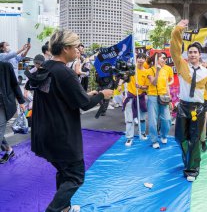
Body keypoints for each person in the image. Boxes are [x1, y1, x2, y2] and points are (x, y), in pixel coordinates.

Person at [29, 30, 113, 212]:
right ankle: (54, 210)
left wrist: (86, 94)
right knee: (75, 175)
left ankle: (64, 207)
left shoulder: (45, 68)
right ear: (66, 48)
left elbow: (63, 96)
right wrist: (102, 94)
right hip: (61, 135)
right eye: (76, 47)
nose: (78, 51)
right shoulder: (64, 73)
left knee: (64, 171)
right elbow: (84, 104)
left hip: (43, 133)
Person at [170, 19, 207, 182]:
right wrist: (177, 30)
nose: (192, 54)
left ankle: (192, 169)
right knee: (180, 138)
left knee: (195, 140)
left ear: (199, 55)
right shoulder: (182, 66)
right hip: (183, 107)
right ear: (188, 55)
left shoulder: (206, 73)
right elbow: (175, 50)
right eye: (190, 52)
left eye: (195, 52)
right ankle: (189, 159)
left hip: (198, 110)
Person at [0, 61, 26, 164]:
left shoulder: (6, 66)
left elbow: (14, 84)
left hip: (3, 104)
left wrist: (21, 101)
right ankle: (8, 150)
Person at [145, 52, 172, 149]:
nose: (165, 60)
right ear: (157, 59)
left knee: (167, 119)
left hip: (163, 96)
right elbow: (154, 82)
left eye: (166, 58)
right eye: (163, 58)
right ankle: (154, 140)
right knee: (153, 120)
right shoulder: (149, 70)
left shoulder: (165, 71)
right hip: (152, 96)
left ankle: (163, 135)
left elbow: (166, 85)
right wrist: (157, 71)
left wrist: (170, 99)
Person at [124, 53, 148, 146]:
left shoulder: (146, 72)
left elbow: (147, 87)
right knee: (129, 119)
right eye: (139, 58)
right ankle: (129, 137)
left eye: (143, 58)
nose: (141, 60)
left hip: (141, 96)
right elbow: (124, 78)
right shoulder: (131, 69)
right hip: (130, 96)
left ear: (145, 60)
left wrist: (140, 86)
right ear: (136, 59)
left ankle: (142, 133)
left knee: (142, 117)